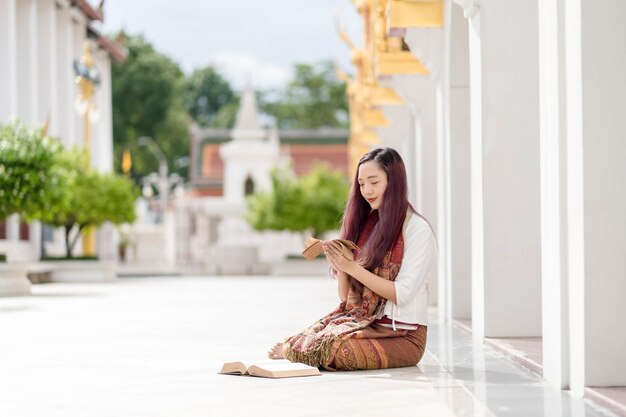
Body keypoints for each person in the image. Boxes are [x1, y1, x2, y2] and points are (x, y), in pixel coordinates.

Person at [268, 147, 437, 370]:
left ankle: (299, 352)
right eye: (361, 183)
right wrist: (341, 267)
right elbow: (347, 299)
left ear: (394, 182)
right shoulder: (368, 226)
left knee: (337, 349)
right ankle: (301, 349)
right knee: (317, 336)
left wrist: (352, 267)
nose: (367, 190)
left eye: (374, 182)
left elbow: (403, 294)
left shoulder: (418, 230)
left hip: (403, 336)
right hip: (363, 324)